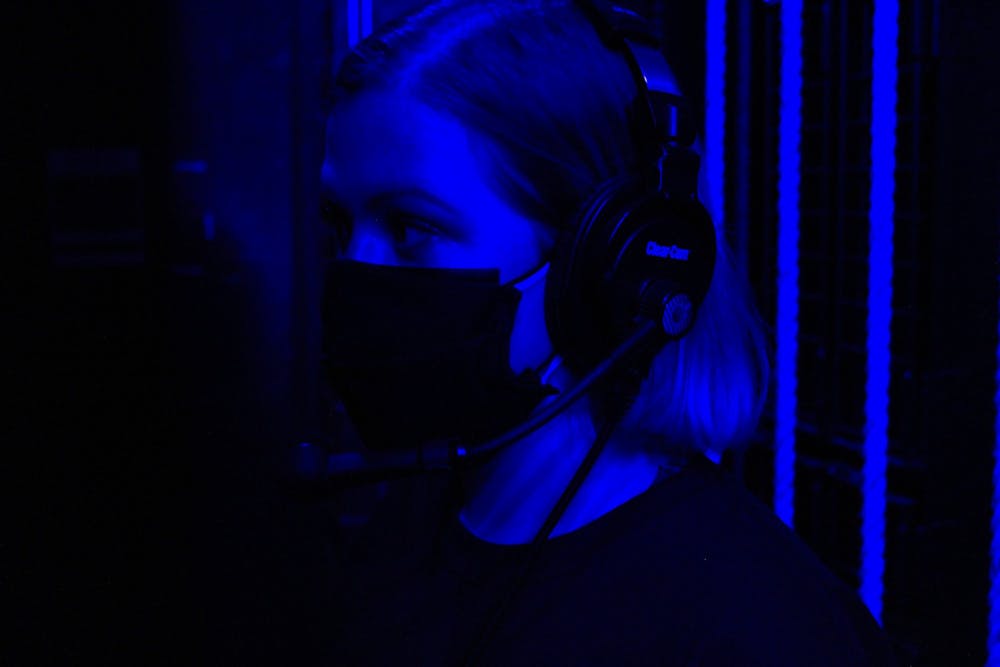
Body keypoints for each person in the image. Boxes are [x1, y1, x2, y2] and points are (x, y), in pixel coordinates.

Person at [317, 0, 897, 664]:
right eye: (340, 225)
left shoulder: (761, 628)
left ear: (602, 263)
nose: (355, 270)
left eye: (412, 227)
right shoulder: (412, 519)